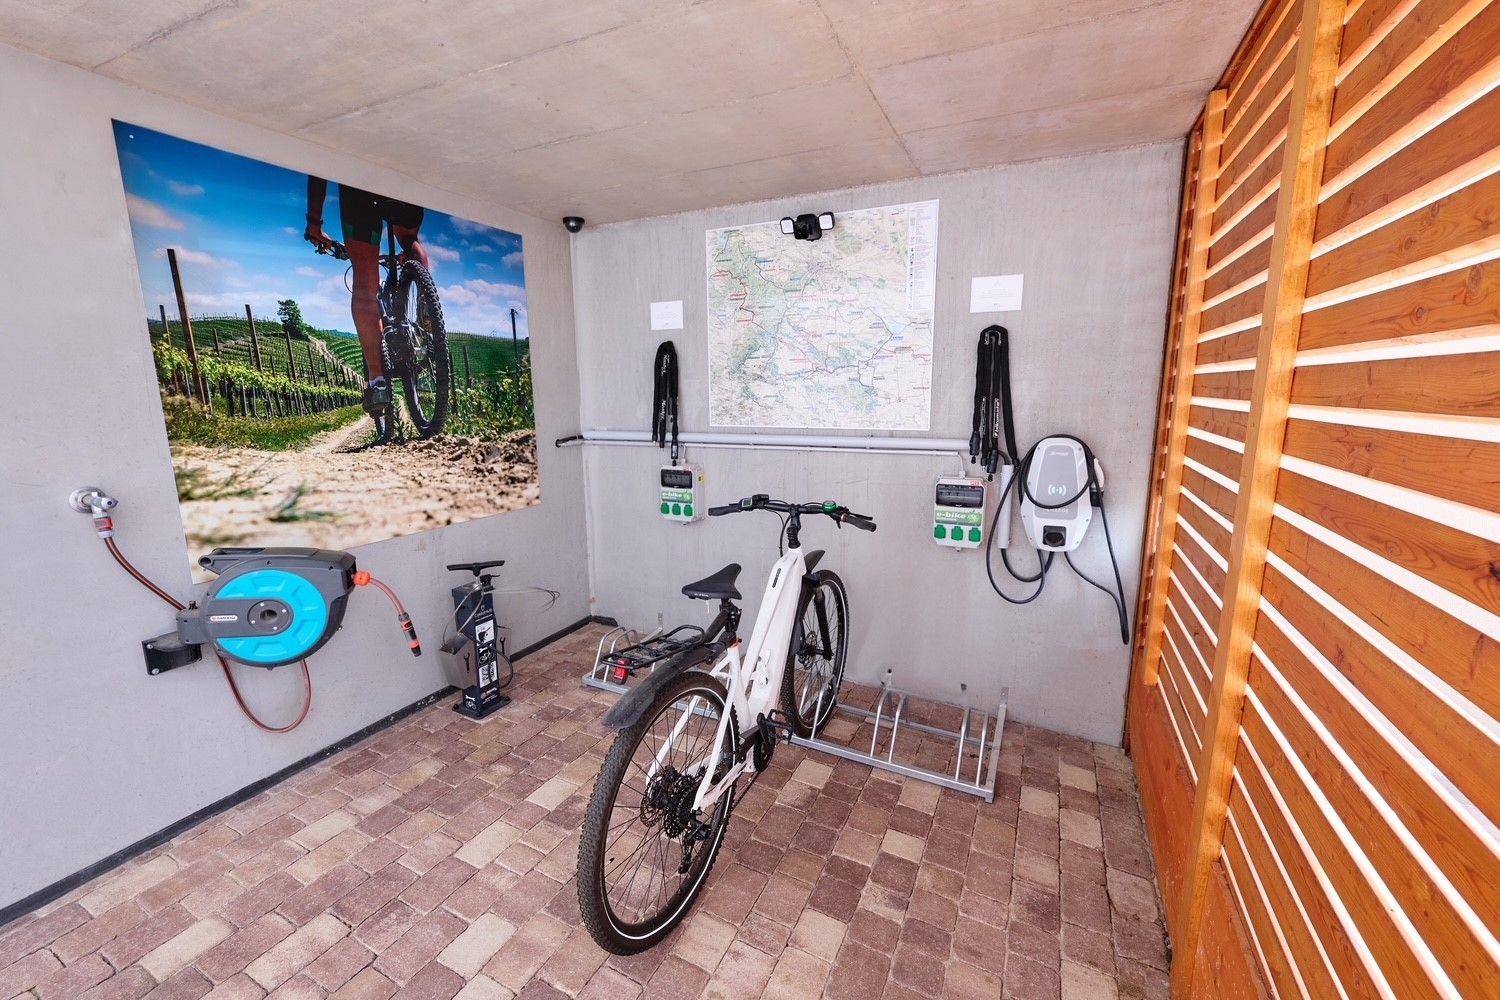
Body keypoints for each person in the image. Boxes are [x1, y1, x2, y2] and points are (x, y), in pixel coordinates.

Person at [303, 177, 431, 423]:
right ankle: (427, 317)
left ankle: (377, 381)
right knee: (410, 241)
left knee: (364, 273)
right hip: (401, 176)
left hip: (360, 189)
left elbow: (318, 168)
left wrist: (314, 223)